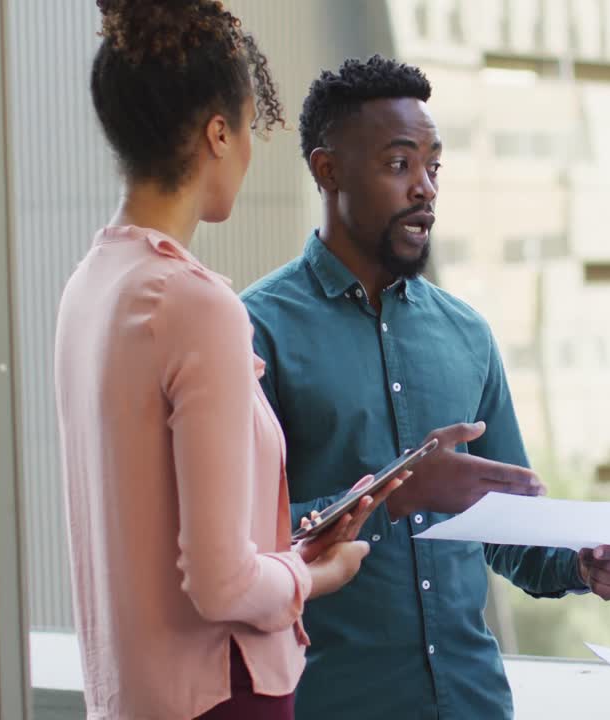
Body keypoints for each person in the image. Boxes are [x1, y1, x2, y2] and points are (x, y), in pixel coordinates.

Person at [240, 55, 610, 719]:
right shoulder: (257, 330)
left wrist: (580, 562)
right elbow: (238, 546)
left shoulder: (468, 335)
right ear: (327, 170)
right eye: (399, 165)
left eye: (434, 166)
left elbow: (510, 529)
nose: (425, 188)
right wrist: (391, 493)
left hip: (475, 704)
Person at [55, 4, 395, 718]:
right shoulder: (195, 303)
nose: (246, 151)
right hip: (220, 696)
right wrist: (314, 575)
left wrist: (285, 551)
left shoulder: (90, 287)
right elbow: (220, 586)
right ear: (217, 132)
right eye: (247, 130)